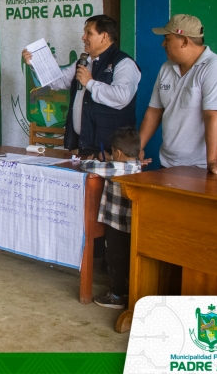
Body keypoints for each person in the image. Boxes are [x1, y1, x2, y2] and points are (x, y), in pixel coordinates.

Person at [138, 14, 217, 175]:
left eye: (168, 38)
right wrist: (138, 147)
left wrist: (213, 161)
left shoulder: (215, 68)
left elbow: (212, 116)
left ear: (185, 41)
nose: (163, 43)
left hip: (203, 166)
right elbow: (154, 112)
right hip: (169, 162)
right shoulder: (167, 68)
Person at [21, 15, 141, 155]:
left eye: (88, 33)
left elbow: (123, 96)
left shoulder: (123, 63)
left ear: (104, 36)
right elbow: (58, 82)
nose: (83, 37)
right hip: (83, 144)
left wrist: (90, 83)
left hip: (111, 150)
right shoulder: (83, 62)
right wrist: (36, 63)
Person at [80, 127, 143, 309]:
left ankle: (116, 295)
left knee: (115, 259)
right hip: (132, 224)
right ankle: (128, 290)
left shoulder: (115, 168)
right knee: (127, 258)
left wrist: (91, 160)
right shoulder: (137, 165)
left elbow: (88, 166)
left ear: (117, 153)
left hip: (116, 224)